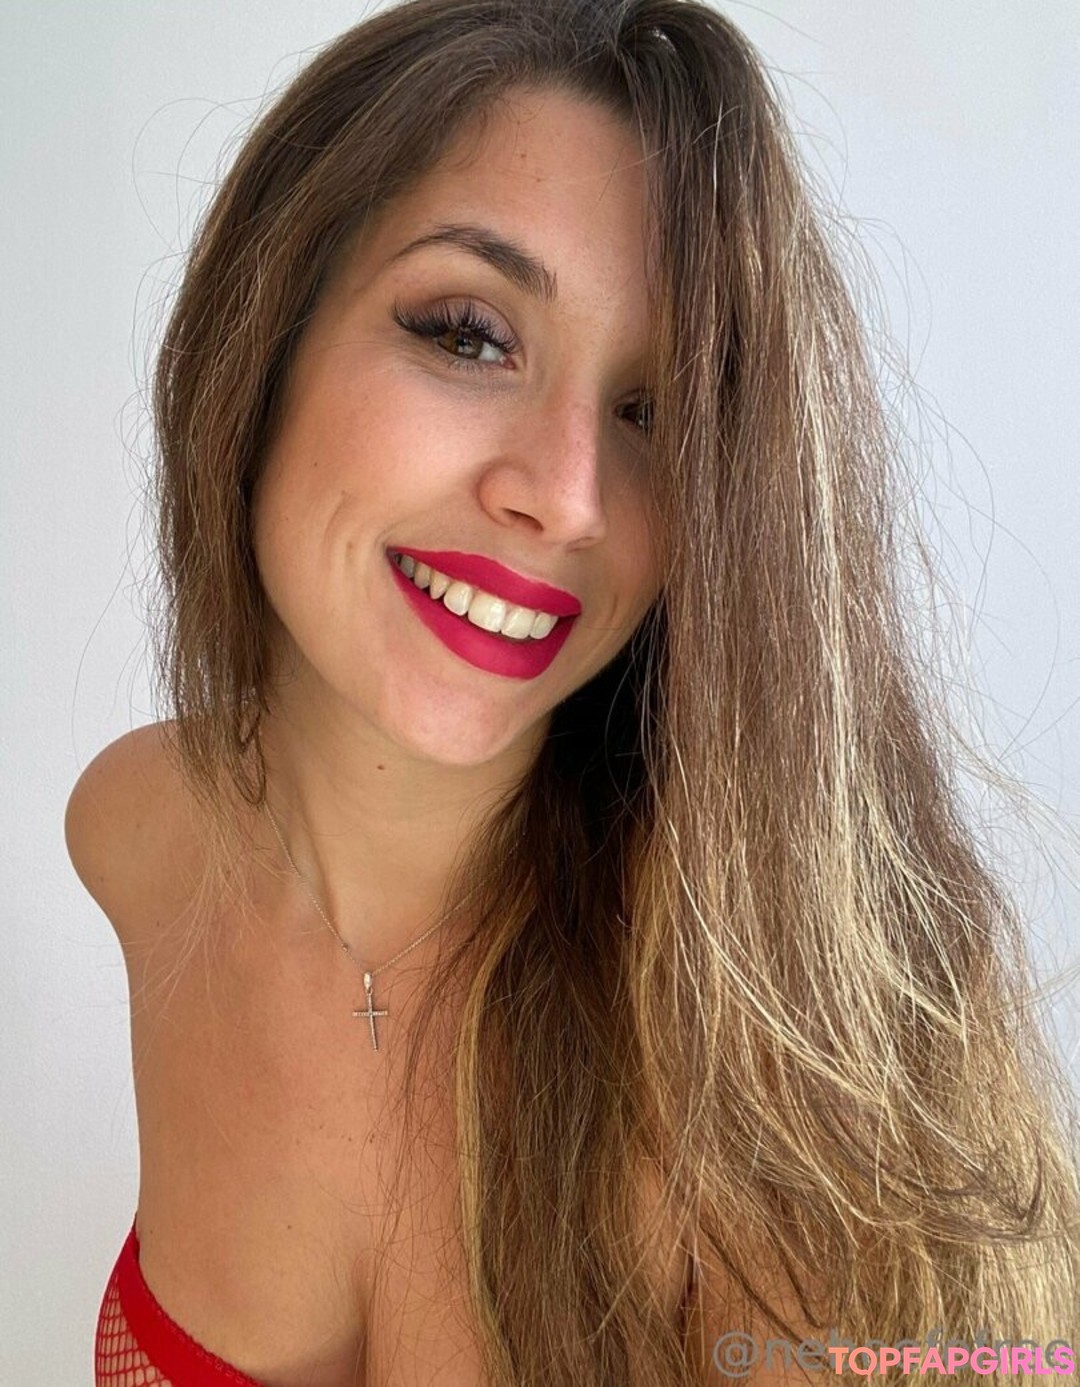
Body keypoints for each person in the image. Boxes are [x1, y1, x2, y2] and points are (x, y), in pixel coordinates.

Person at [67, 0, 1079, 1383]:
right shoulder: (137, 831)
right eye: (470, 335)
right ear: (268, 330)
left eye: (653, 413)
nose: (568, 498)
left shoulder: (765, 1066)